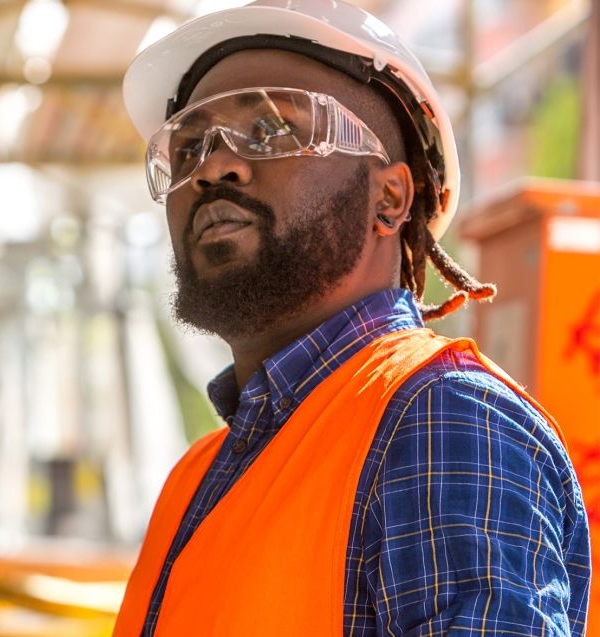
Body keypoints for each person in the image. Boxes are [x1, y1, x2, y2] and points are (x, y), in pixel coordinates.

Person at [113, 1, 591, 635]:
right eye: (190, 146)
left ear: (389, 198)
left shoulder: (439, 422)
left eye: (270, 130)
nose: (211, 167)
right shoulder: (200, 473)